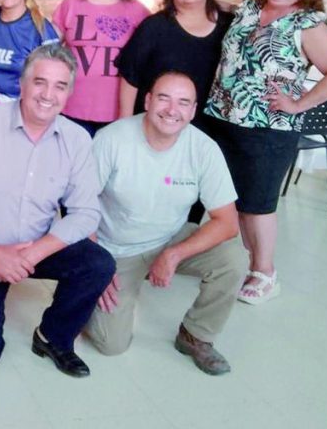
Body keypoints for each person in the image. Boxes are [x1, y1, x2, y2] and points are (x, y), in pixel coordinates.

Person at [0, 43, 116, 378]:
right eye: (40, 82)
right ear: (22, 83)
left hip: (35, 247)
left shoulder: (76, 139)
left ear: (69, 93)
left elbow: (86, 212)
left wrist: (29, 256)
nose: (48, 94)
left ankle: (54, 336)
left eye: (60, 86)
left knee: (98, 263)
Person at [205, 0, 327, 304]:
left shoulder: (307, 22)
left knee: (258, 203)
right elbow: (219, 12)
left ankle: (265, 272)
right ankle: (246, 262)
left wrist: (299, 103)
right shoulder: (249, 10)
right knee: (234, 201)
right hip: (223, 119)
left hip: (269, 126)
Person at [84, 71, 248, 375]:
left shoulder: (204, 148)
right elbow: (82, 208)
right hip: (115, 249)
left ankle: (196, 335)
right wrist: (96, 266)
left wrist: (174, 254)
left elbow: (227, 223)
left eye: (183, 102)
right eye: (164, 98)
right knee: (111, 345)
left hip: (170, 237)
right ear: (147, 100)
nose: (172, 110)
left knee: (234, 258)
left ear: (193, 110)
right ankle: (83, 292)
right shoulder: (111, 139)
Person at [116, 0, 233, 223]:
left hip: (208, 126)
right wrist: (124, 126)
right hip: (157, 123)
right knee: (151, 188)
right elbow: (130, 75)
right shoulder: (155, 27)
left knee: (193, 189)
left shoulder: (229, 25)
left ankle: (181, 241)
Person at [51, 0, 150, 136]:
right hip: (71, 107)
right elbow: (47, 49)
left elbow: (155, 45)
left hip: (117, 112)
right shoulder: (70, 4)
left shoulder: (135, 8)